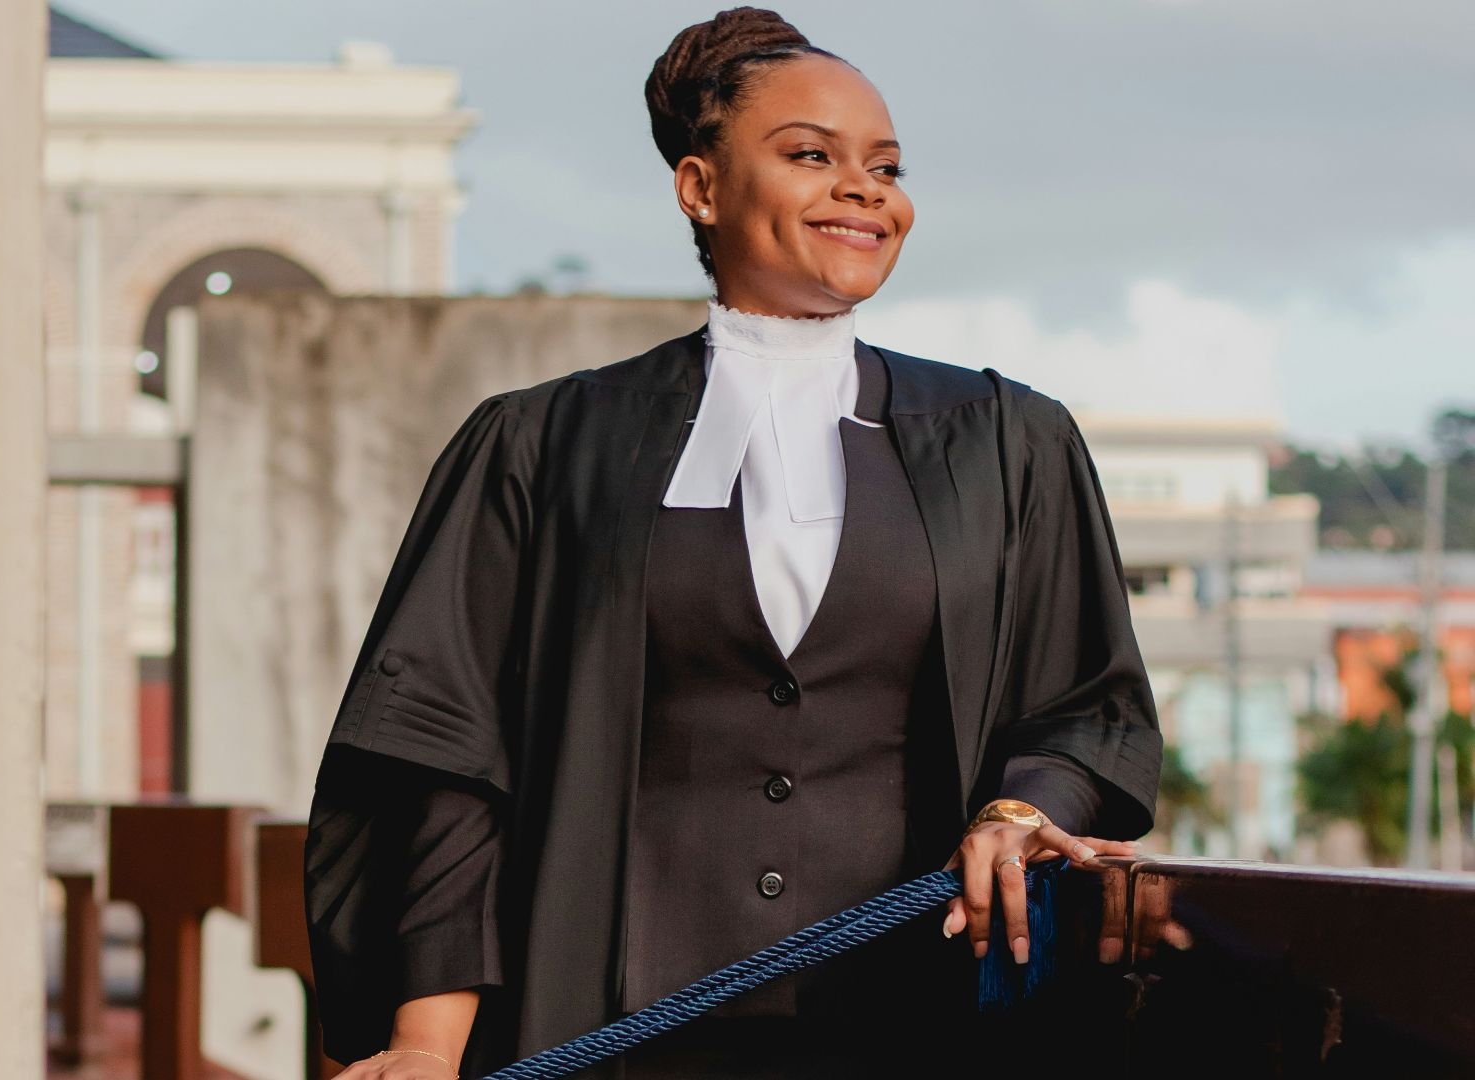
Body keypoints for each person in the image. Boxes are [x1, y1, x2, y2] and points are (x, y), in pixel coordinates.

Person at [304, 7, 1162, 1077]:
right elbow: (442, 757)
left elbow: (1089, 703)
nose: (865, 190)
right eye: (811, 155)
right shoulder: (541, 446)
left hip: (914, 1025)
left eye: (886, 167)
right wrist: (426, 1044)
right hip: (603, 1030)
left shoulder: (1009, 443)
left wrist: (1022, 808)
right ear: (699, 187)